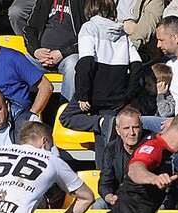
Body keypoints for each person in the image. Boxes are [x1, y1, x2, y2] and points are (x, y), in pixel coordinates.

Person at [58, 0, 142, 168]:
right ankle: (106, 176)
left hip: (93, 93)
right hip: (117, 95)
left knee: (66, 117)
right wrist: (129, 96)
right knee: (104, 139)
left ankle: (101, 122)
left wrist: (83, 95)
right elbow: (137, 65)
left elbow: (86, 63)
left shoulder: (89, 28)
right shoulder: (122, 33)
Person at [22, 0, 86, 103]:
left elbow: (86, 34)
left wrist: (62, 53)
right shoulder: (44, 2)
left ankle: (65, 114)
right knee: (16, 62)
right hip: (40, 58)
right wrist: (36, 51)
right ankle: (22, 113)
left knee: (73, 64)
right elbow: (29, 29)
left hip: (67, 57)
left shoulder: (82, 3)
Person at [96, 106, 149, 210]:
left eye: (136, 127)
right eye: (126, 128)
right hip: (120, 199)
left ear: (142, 127)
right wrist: (109, 197)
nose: (132, 132)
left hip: (147, 200)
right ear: (118, 130)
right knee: (99, 204)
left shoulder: (153, 146)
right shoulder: (111, 149)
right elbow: (105, 182)